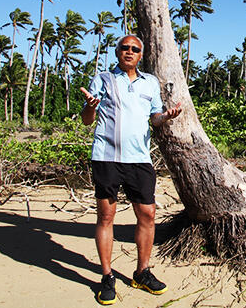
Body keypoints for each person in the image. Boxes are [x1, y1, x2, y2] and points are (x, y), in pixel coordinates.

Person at [80, 34, 182, 305]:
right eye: (124, 48)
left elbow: (155, 118)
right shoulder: (102, 79)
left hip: (139, 159)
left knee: (147, 213)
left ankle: (142, 272)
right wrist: (90, 108)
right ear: (117, 52)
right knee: (106, 216)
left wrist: (167, 117)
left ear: (141, 55)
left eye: (134, 49)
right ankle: (106, 276)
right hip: (107, 157)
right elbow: (87, 120)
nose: (129, 51)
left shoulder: (149, 82)